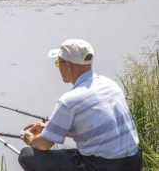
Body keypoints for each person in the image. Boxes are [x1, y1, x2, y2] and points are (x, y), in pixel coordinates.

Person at [18, 39, 142, 171]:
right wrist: (51, 128)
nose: (58, 67)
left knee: (27, 155)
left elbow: (43, 145)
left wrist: (31, 139)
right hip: (133, 162)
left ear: (68, 66)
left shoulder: (69, 101)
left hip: (103, 166)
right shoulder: (110, 85)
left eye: (58, 62)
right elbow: (97, 130)